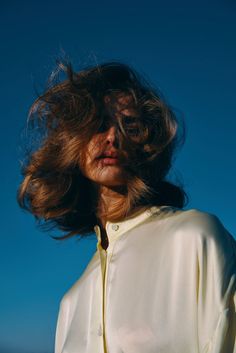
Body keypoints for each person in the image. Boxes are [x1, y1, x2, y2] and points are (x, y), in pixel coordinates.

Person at [17, 61, 236, 353]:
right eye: (97, 125)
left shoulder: (197, 237)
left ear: (147, 142)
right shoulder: (71, 302)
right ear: (73, 143)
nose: (112, 137)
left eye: (129, 125)